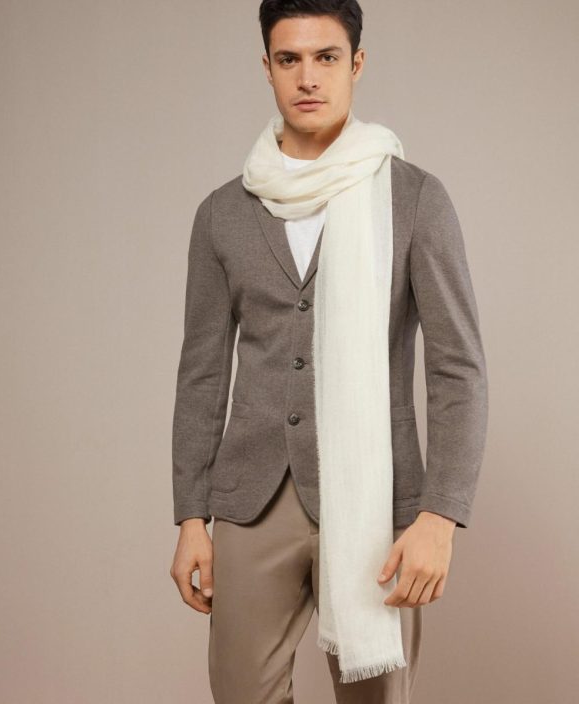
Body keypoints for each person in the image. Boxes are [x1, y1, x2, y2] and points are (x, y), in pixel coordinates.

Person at [170, 1, 488, 702]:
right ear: (267, 67)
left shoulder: (415, 198)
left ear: (357, 64)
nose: (308, 77)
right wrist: (191, 517)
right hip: (254, 498)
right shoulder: (222, 213)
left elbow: (457, 370)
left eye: (326, 57)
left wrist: (439, 517)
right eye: (289, 59)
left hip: (379, 497)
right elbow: (201, 375)